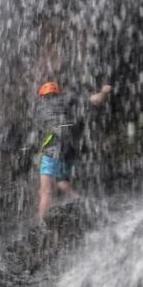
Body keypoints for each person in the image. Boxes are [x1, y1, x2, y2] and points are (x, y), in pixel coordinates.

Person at [33, 80, 112, 221]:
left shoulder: (38, 106)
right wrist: (103, 92)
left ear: (42, 95)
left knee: (45, 190)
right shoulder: (66, 98)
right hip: (68, 144)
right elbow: (93, 100)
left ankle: (40, 223)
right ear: (57, 92)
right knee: (60, 180)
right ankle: (81, 201)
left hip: (53, 143)